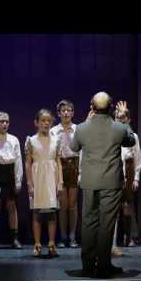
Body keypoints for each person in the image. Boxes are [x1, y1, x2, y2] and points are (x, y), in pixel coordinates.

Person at [70, 92, 136, 278]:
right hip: (110, 181)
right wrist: (124, 120)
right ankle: (104, 266)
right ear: (111, 107)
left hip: (90, 181)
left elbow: (74, 148)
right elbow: (130, 140)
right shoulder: (118, 127)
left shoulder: (82, 128)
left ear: (92, 106)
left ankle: (88, 266)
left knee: (89, 223)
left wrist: (85, 121)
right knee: (106, 224)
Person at [25, 109, 64, 258]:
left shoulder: (56, 140)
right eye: (43, 120)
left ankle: (52, 243)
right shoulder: (31, 140)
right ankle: (37, 244)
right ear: (37, 123)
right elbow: (28, 163)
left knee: (52, 213)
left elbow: (58, 162)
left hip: (52, 177)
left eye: (48, 121)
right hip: (37, 177)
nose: (46, 123)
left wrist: (60, 181)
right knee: (37, 213)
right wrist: (29, 183)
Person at [0, 112, 23, 249]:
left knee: (11, 206)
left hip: (9, 172)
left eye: (7, 121)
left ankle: (14, 238)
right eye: (1, 121)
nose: (5, 124)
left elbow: (18, 160)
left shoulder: (14, 140)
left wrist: (18, 180)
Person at [111, 102, 141, 257]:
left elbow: (138, 159)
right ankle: (113, 241)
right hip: (115, 173)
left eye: (123, 118)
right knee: (114, 208)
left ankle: (129, 236)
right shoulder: (111, 133)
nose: (120, 120)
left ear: (128, 120)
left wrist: (136, 178)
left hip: (128, 173)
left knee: (128, 205)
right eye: (117, 117)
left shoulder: (132, 136)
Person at [50, 100, 80, 248]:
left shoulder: (78, 129)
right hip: (60, 165)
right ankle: (62, 237)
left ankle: (73, 236)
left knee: (72, 205)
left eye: (69, 110)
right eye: (63, 110)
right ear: (59, 113)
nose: (66, 113)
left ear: (73, 113)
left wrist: (81, 172)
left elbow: (83, 151)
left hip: (74, 164)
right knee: (62, 205)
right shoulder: (53, 131)